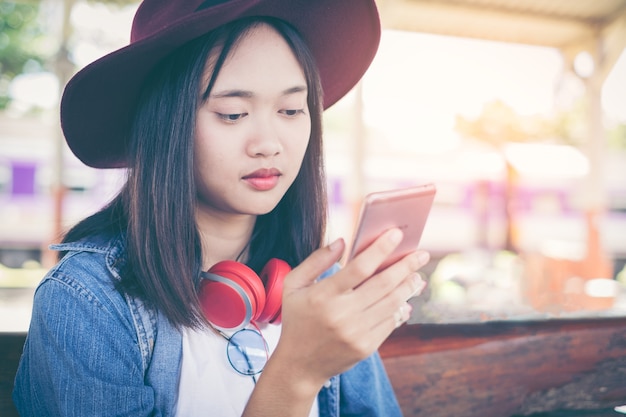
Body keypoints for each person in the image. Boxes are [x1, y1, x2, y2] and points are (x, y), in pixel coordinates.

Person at [13, 1, 430, 416]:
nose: (268, 143)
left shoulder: (322, 288)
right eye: (233, 114)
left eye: (290, 110)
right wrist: (298, 373)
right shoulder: (87, 300)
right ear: (166, 123)